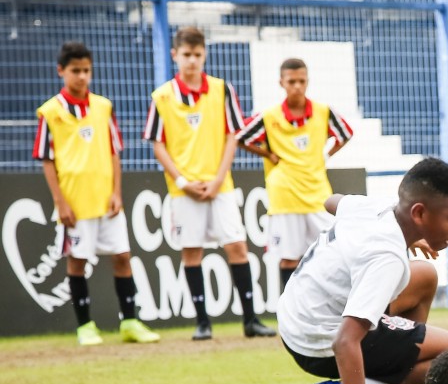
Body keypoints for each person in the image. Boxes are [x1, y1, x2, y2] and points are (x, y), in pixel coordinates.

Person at [279, 158, 448, 384]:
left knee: (423, 276)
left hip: (295, 317)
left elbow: (331, 202)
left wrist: (413, 234)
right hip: (321, 342)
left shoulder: (375, 209)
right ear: (419, 213)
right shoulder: (387, 257)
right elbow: (345, 341)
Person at [143, 26, 275, 341]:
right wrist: (182, 180)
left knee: (237, 247)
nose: (192, 61)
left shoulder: (222, 90)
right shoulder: (162, 96)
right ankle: (202, 322)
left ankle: (250, 319)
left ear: (205, 55)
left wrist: (218, 178)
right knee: (191, 252)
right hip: (183, 189)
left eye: (197, 55)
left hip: (220, 186)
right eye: (186, 55)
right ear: (175, 55)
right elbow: (157, 143)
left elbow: (233, 135)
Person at [34, 41, 159, 346]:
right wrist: (59, 202)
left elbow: (115, 152)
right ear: (61, 71)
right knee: (77, 261)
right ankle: (85, 326)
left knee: (122, 257)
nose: (81, 77)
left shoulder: (103, 107)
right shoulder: (50, 112)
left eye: (86, 71)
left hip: (106, 200)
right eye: (75, 71)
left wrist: (117, 192)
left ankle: (129, 321)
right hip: (75, 203)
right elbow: (47, 160)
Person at [236, 57, 354, 290]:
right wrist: (267, 154)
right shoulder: (269, 117)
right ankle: (292, 314)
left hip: (317, 196)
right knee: (289, 258)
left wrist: (326, 155)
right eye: (291, 81)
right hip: (285, 197)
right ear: (281, 82)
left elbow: (346, 133)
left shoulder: (322, 112)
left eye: (301, 81)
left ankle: (326, 311)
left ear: (308, 81)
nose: (297, 86)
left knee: (331, 254)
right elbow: (240, 137)